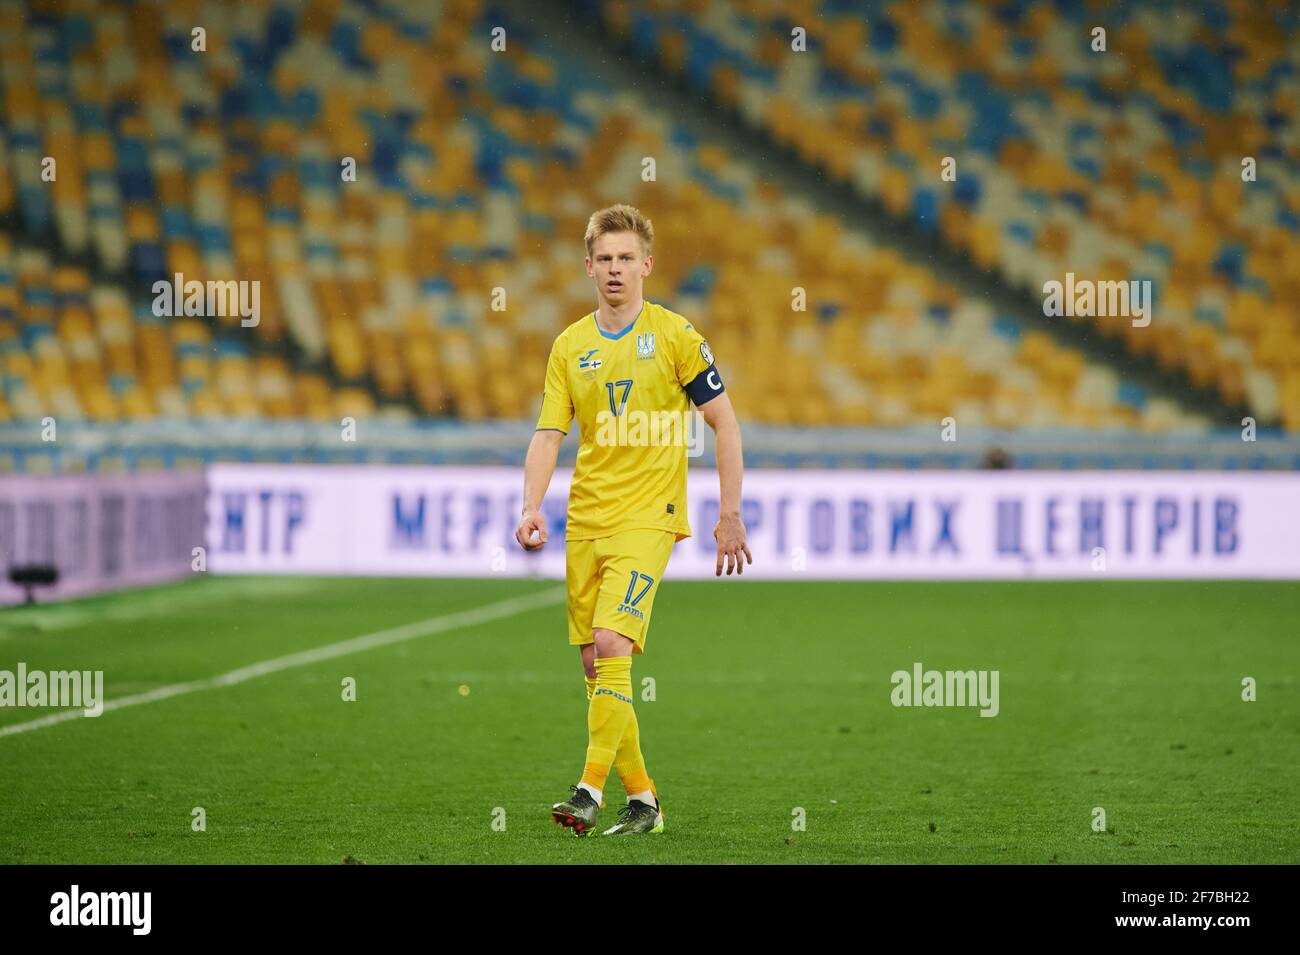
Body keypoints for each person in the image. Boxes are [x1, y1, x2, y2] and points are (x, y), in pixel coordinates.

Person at [514, 203, 751, 835]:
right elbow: (547, 435)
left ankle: (587, 789)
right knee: (598, 667)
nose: (616, 269)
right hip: (586, 519)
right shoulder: (570, 346)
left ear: (646, 264)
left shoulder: (677, 337)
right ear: (587, 266)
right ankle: (643, 801)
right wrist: (532, 505)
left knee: (615, 645)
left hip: (650, 517)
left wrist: (729, 513)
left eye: (627, 258)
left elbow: (724, 422)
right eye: (605, 259)